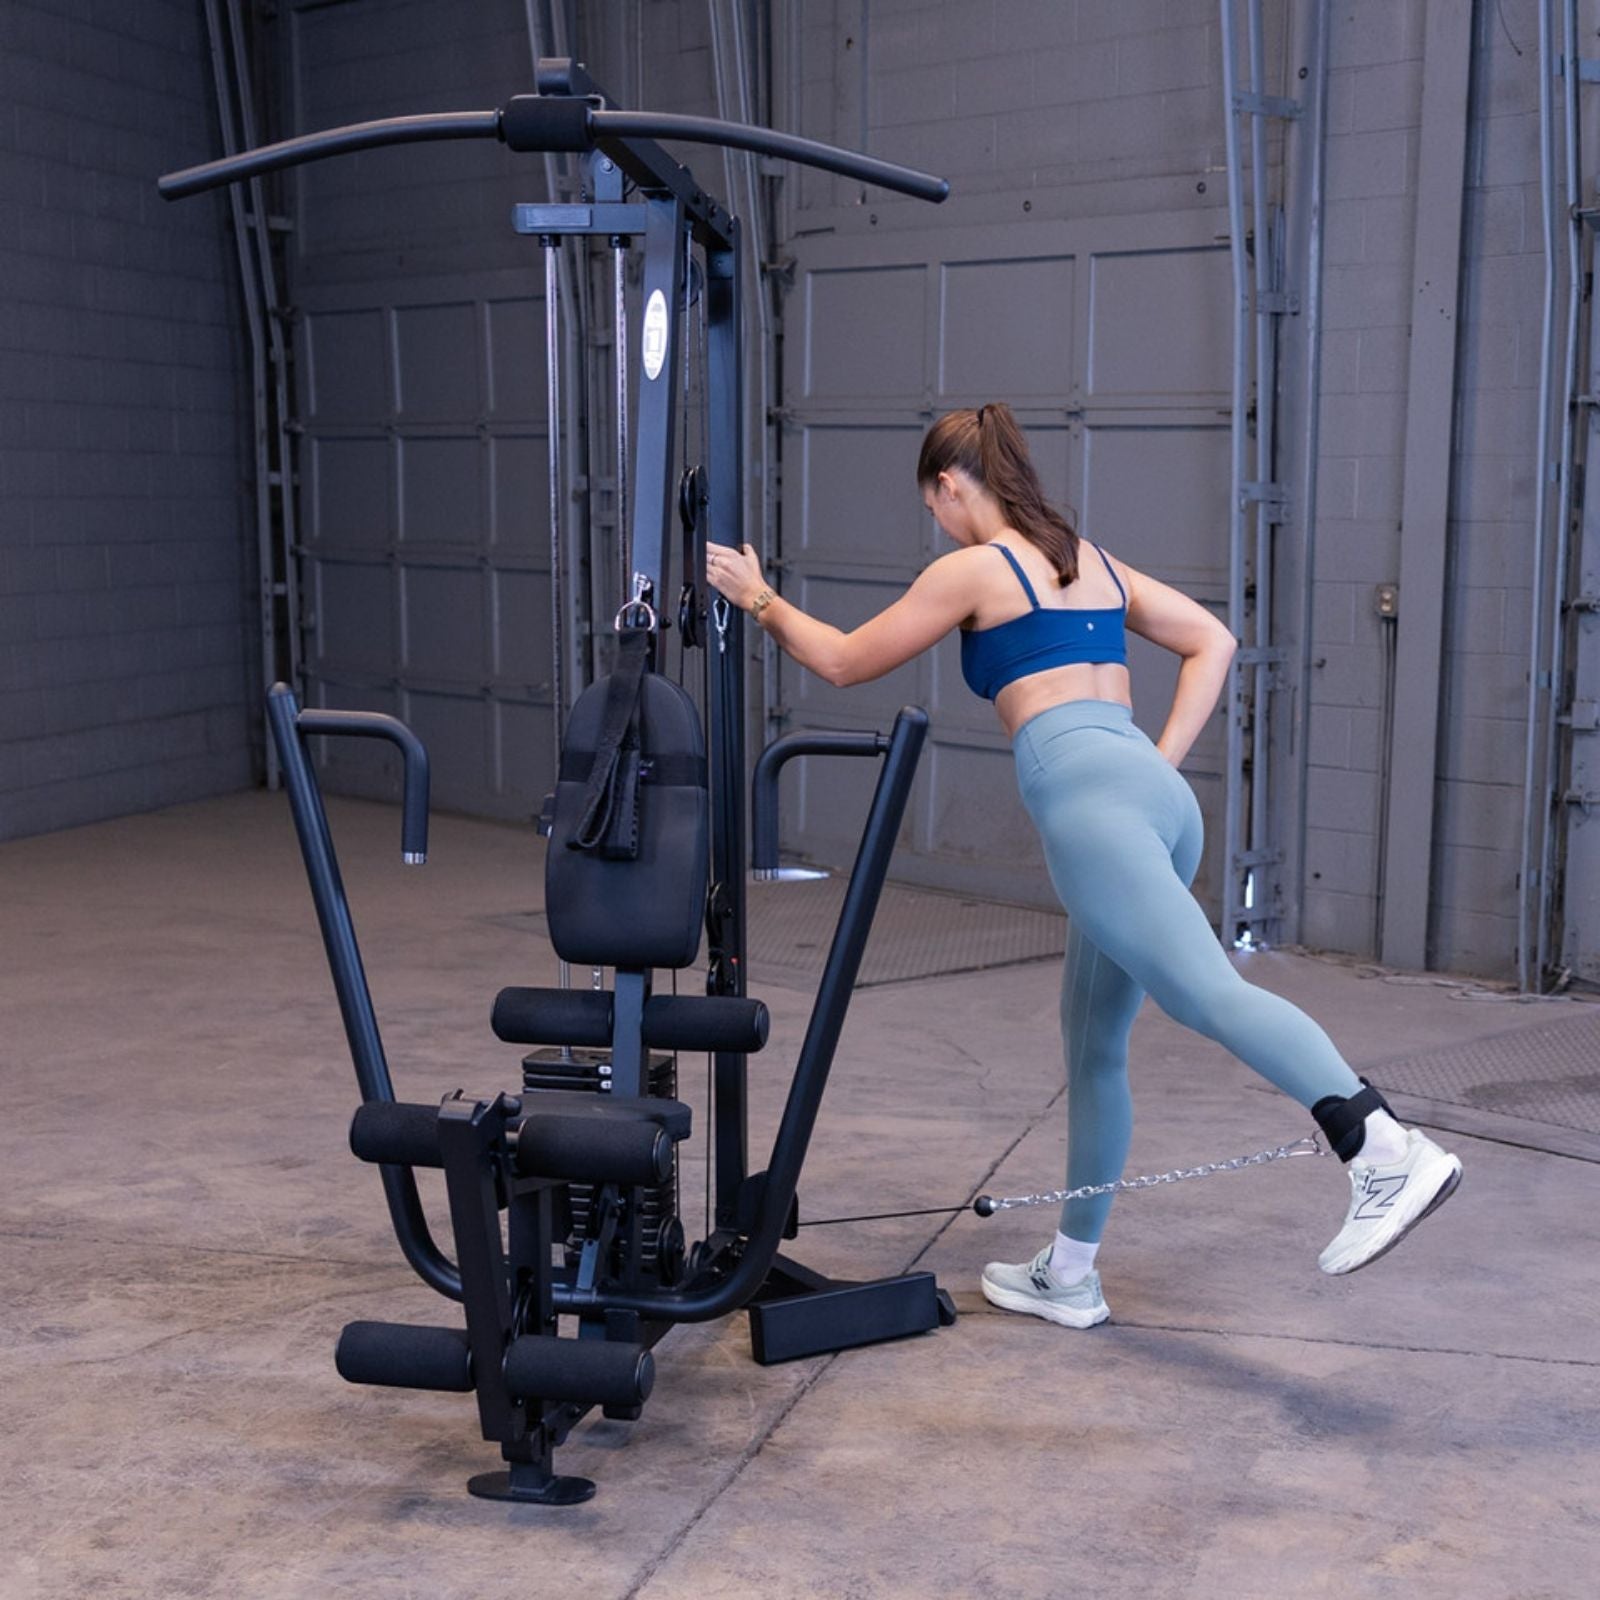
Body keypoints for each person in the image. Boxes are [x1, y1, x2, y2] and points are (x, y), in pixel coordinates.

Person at [705, 402, 1461, 1330]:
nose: (936, 522)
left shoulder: (975, 569)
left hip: (1093, 810)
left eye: (932, 505)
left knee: (1209, 995)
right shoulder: (1089, 561)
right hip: (1149, 799)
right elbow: (1214, 640)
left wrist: (759, 597)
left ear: (950, 484)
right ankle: (1069, 1274)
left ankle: (1380, 1147)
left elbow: (844, 661)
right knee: (1094, 1045)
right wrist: (1158, 765)